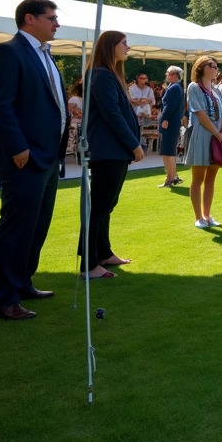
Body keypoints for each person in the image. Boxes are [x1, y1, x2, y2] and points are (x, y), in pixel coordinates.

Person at [0, 0, 69, 320]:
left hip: (47, 158)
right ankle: (4, 299)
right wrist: (18, 147)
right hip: (24, 158)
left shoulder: (46, 54)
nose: (56, 23)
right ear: (30, 19)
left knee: (37, 226)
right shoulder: (9, 51)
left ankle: (22, 283)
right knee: (17, 228)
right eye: (51, 18)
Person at [79, 31, 143, 279]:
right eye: (123, 43)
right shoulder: (101, 75)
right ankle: (89, 262)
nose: (128, 47)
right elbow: (111, 114)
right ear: (110, 47)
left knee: (107, 205)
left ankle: (103, 252)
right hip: (109, 150)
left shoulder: (108, 73)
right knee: (99, 206)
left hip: (115, 150)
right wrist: (134, 145)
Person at [185, 55, 222, 229]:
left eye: (216, 65)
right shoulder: (194, 87)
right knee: (198, 178)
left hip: (217, 135)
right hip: (202, 135)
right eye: (211, 65)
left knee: (211, 177)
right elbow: (201, 115)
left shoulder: (217, 90)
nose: (215, 68)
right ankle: (198, 217)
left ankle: (207, 215)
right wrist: (218, 134)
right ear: (201, 67)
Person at [158, 66, 185, 187]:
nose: (166, 74)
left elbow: (169, 107)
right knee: (168, 151)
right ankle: (171, 177)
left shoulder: (174, 88)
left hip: (170, 123)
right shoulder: (176, 87)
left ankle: (170, 178)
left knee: (168, 151)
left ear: (174, 74)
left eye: (168, 73)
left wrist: (163, 119)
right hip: (172, 122)